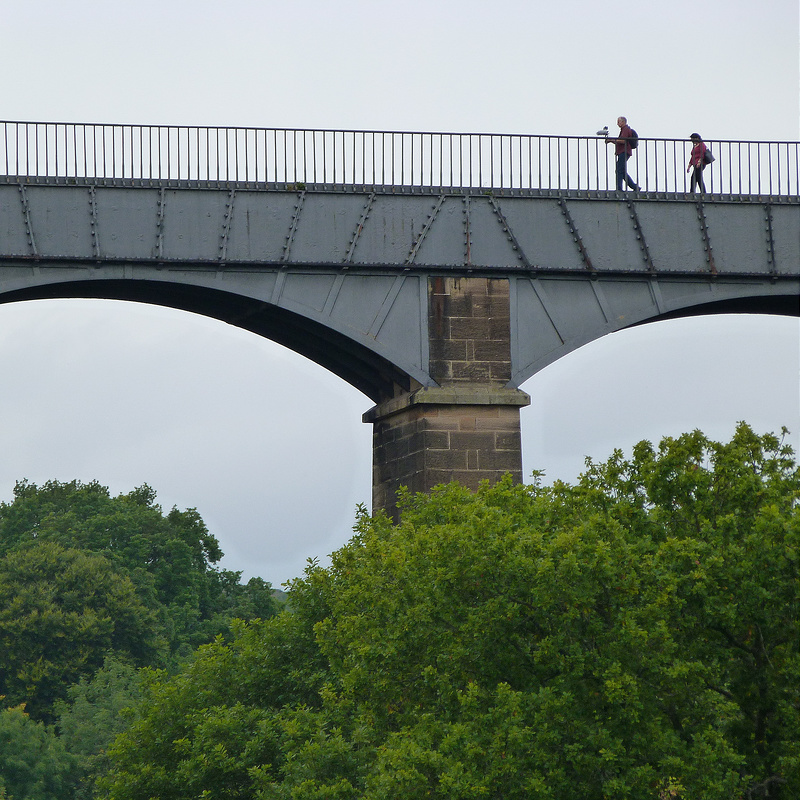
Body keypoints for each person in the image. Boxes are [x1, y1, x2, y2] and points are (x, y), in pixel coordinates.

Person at [606, 116, 640, 191]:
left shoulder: (625, 130)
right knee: (621, 170)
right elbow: (621, 141)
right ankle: (634, 187)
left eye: (618, 122)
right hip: (624, 152)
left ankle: (620, 189)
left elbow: (623, 141)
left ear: (623, 122)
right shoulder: (624, 130)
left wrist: (612, 140)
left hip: (624, 152)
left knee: (619, 170)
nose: (617, 123)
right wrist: (612, 141)